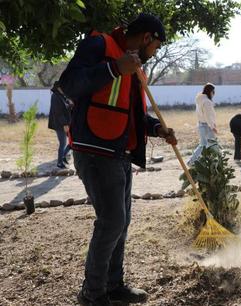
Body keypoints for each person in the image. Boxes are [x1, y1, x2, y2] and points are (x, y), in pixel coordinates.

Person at [59, 13, 177, 306]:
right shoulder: (100, 45)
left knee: (120, 223)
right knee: (112, 221)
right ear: (148, 37)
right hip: (95, 151)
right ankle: (92, 294)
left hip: (120, 153)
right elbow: (69, 84)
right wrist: (114, 68)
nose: (155, 53)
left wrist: (157, 129)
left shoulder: (133, 66)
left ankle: (113, 286)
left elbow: (131, 114)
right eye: (157, 47)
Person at [187, 83, 218, 165]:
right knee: (210, 144)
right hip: (207, 125)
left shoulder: (199, 100)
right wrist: (212, 126)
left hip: (201, 124)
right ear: (210, 91)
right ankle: (214, 162)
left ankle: (193, 161)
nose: (213, 93)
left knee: (204, 144)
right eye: (213, 91)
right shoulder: (207, 102)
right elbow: (208, 116)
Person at [48, 81, 72, 168]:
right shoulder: (55, 96)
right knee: (63, 143)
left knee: (72, 142)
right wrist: (65, 124)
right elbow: (58, 112)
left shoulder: (62, 96)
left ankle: (64, 157)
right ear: (58, 87)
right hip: (60, 124)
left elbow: (66, 107)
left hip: (66, 123)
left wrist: (70, 104)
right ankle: (59, 162)